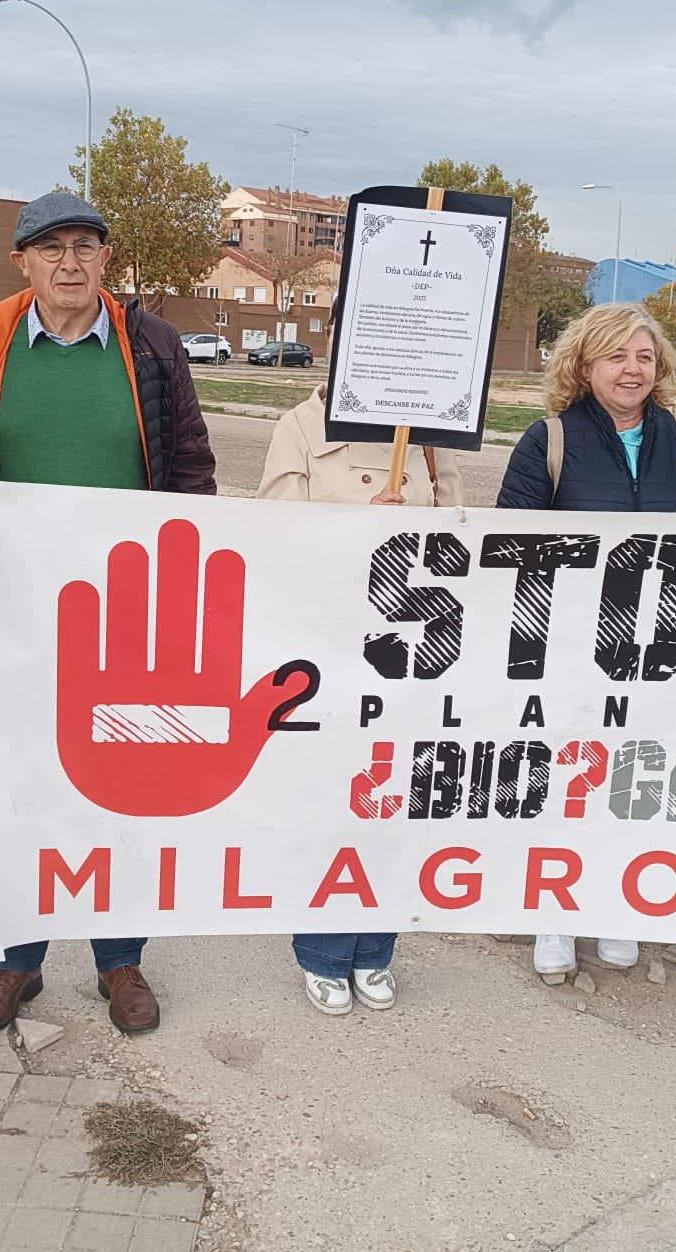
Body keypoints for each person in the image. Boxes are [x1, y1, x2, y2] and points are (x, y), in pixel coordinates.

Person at [0, 190, 214, 1039]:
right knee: (16, 781)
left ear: (105, 259)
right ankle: (19, 960)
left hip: (126, 607)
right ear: (23, 261)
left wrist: (186, 564)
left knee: (124, 783)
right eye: (52, 249)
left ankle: (120, 958)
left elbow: (189, 456)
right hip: (13, 606)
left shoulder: (151, 343)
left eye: (86, 246)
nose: (71, 263)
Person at [496, 303, 676, 980]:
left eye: (644, 357)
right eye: (617, 357)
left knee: (638, 779)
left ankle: (619, 905)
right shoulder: (549, 441)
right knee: (571, 780)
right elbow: (511, 547)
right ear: (585, 364)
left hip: (663, 651)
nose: (632, 370)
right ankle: (556, 913)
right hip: (574, 651)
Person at [257, 385, 462, 1014]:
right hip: (329, 646)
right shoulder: (301, 425)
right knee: (330, 800)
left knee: (395, 797)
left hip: (411, 647)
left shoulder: (428, 433)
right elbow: (274, 533)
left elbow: (458, 530)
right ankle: (322, 952)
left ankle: (376, 947)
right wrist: (357, 528)